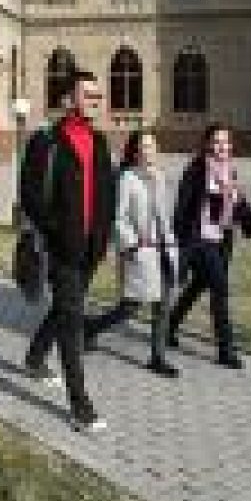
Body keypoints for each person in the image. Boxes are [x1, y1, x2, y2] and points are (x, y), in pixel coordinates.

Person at [21, 68, 116, 432]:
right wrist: (54, 230)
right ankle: (80, 405)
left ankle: (34, 357)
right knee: (73, 320)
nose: (96, 100)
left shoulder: (100, 141)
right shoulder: (47, 141)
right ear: (68, 99)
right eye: (88, 94)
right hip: (62, 248)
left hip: (91, 247)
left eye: (98, 95)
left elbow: (107, 193)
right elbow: (30, 194)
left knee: (65, 308)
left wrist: (105, 237)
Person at [84, 129, 180, 378]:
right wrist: (132, 244)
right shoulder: (127, 178)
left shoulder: (160, 176)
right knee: (130, 307)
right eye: (143, 147)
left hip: (163, 248)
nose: (148, 151)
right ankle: (91, 327)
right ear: (135, 151)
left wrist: (171, 242)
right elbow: (119, 217)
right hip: (141, 251)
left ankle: (157, 357)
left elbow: (165, 215)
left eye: (152, 146)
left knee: (163, 305)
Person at [168, 123, 251, 370]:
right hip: (199, 241)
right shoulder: (196, 170)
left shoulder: (229, 171)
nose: (223, 146)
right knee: (220, 289)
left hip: (222, 241)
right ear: (207, 144)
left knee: (198, 285)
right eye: (217, 142)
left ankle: (169, 325)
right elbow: (182, 207)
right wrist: (180, 240)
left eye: (226, 142)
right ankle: (225, 349)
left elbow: (238, 204)